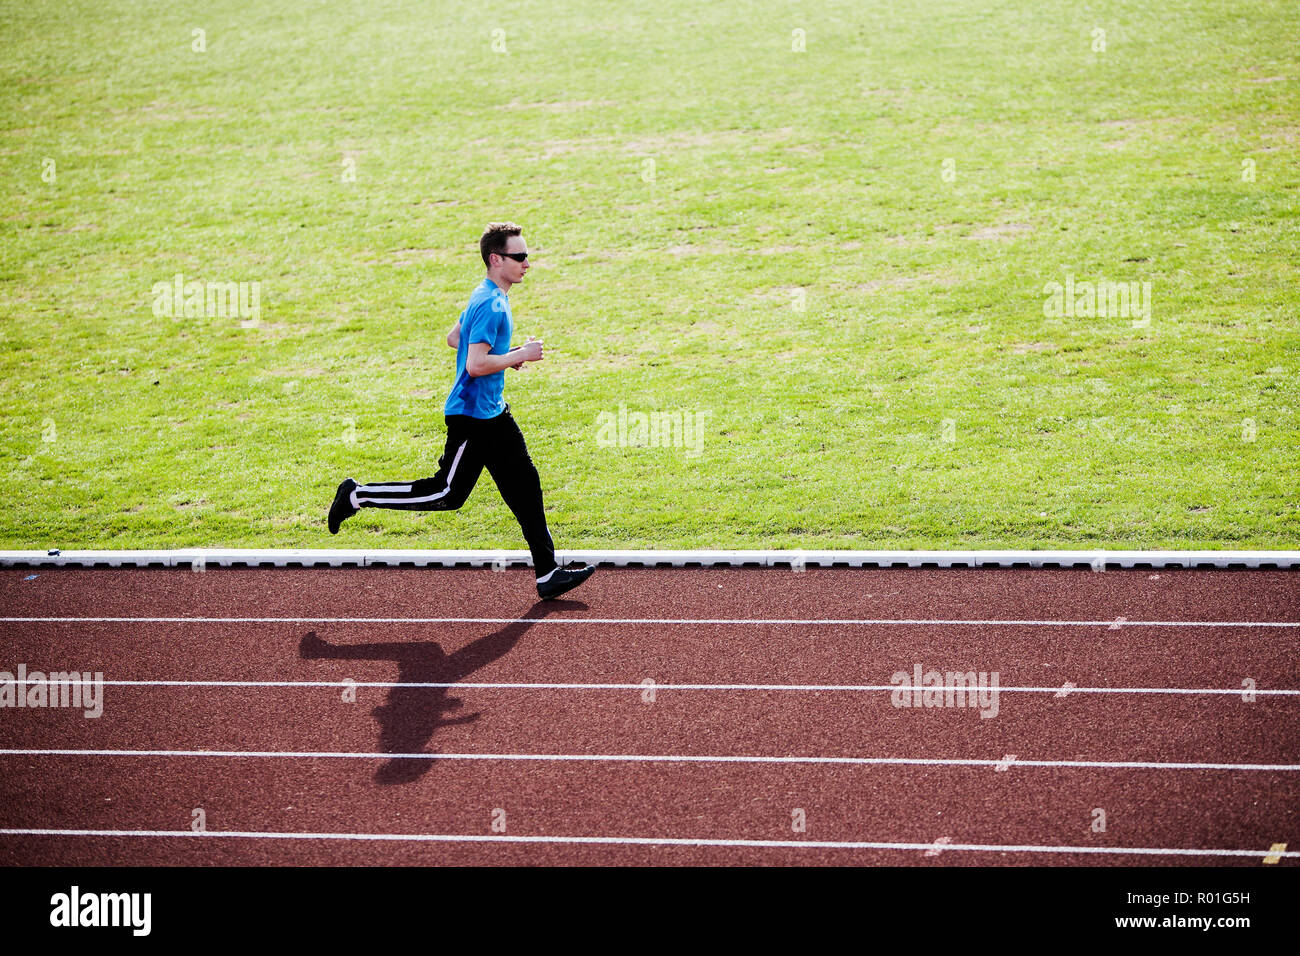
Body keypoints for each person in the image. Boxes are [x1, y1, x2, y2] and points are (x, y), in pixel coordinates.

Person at [327, 221, 594, 601]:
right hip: (473, 419)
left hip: (494, 414)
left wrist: (503, 358)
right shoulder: (490, 303)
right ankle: (356, 495)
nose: (526, 263)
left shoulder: (485, 294)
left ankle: (548, 572)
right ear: (495, 258)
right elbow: (473, 365)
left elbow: (455, 338)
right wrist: (519, 355)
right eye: (519, 257)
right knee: (447, 494)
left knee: (525, 486)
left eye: (527, 256)